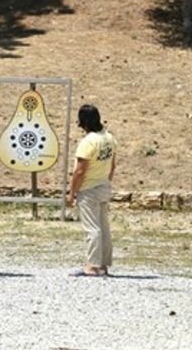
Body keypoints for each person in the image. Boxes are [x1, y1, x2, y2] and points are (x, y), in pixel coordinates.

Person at [66, 104, 117, 277]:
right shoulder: (109, 138)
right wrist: (106, 181)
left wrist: (72, 192)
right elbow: (112, 165)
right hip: (103, 185)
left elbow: (80, 171)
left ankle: (92, 266)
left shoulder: (88, 142)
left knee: (92, 228)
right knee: (104, 227)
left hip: (89, 188)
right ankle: (103, 265)